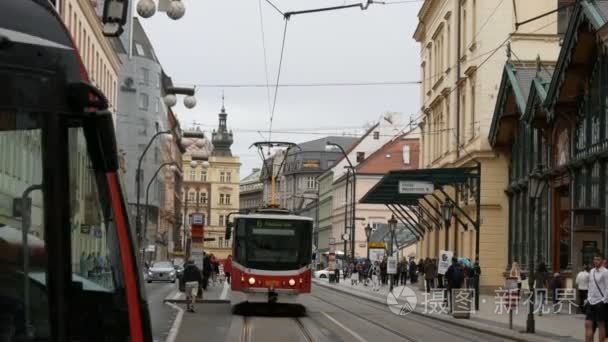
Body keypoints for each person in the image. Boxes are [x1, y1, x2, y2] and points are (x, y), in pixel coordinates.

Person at [585, 254, 608, 342]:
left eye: (598, 259)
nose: (596, 261)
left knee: (601, 325)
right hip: (591, 301)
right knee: (588, 324)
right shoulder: (591, 271)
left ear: (602, 261)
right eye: (594, 259)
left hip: (600, 302)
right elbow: (590, 286)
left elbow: (607, 287)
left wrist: (603, 300)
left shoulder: (605, 272)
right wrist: (588, 298)